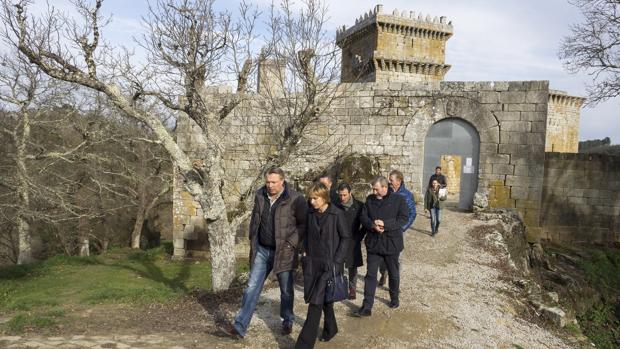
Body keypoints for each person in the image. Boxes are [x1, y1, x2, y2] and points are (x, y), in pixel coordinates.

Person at [224, 167, 307, 339]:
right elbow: (256, 219)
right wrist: (252, 239)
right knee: (251, 287)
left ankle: (287, 320)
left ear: (282, 182)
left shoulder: (296, 199)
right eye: (267, 182)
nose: (270, 185)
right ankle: (239, 326)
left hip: (284, 251)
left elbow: (303, 225)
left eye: (273, 182)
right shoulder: (259, 195)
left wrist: (292, 244)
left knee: (286, 290)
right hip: (262, 249)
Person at [295, 183, 351, 349]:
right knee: (325, 300)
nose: (312, 202)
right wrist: (304, 250)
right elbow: (306, 234)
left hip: (329, 266)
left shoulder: (337, 214)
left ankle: (303, 345)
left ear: (324, 198)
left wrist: (337, 262)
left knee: (315, 304)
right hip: (313, 265)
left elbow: (346, 238)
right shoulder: (311, 214)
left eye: (315, 198)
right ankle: (331, 329)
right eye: (310, 198)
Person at [354, 176, 408, 317]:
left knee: (393, 273)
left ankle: (394, 298)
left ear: (385, 187)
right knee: (370, 275)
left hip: (391, 244)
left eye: (376, 189)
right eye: (373, 189)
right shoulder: (370, 200)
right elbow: (363, 217)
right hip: (374, 244)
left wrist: (385, 224)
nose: (374, 191)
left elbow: (403, 218)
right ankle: (367, 307)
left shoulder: (399, 200)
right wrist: (372, 225)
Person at [378, 170, 417, 286]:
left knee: (398, 257)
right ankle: (383, 273)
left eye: (391, 180)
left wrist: (402, 227)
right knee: (382, 256)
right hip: (384, 230)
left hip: (398, 230)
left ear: (398, 181)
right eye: (389, 179)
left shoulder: (407, 195)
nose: (389, 182)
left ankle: (395, 282)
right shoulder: (385, 192)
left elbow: (412, 213)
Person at [335, 182, 364, 300]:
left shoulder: (359, 206)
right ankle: (341, 287)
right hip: (339, 239)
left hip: (353, 239)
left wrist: (358, 237)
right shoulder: (335, 205)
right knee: (339, 265)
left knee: (353, 266)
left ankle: (352, 288)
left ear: (350, 193)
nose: (342, 198)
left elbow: (365, 225)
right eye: (340, 195)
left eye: (344, 195)